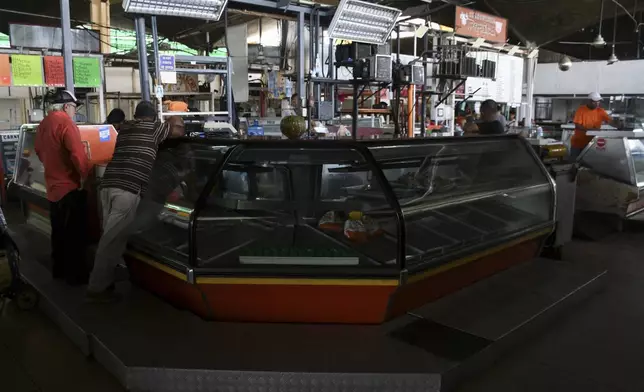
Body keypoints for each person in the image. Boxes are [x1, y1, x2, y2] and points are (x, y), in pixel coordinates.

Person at [86, 101, 185, 302]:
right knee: (111, 241)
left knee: (110, 236)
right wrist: (177, 125)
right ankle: (96, 289)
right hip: (127, 190)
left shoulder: (126, 128)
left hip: (108, 186)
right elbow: (177, 125)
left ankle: (106, 282)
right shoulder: (154, 128)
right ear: (153, 117)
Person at [34, 89, 90, 285]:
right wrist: (85, 177)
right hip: (69, 187)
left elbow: (39, 152)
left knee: (58, 232)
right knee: (75, 235)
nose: (75, 111)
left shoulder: (43, 124)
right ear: (67, 106)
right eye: (74, 107)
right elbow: (78, 154)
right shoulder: (66, 122)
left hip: (52, 188)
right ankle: (76, 277)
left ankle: (59, 270)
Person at [570, 92, 616, 158]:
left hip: (592, 144)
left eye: (598, 102)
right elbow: (578, 125)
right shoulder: (581, 110)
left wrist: (618, 125)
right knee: (575, 163)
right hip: (578, 144)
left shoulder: (600, 111)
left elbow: (610, 121)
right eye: (594, 102)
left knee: (589, 164)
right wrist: (592, 130)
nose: (597, 104)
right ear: (589, 101)